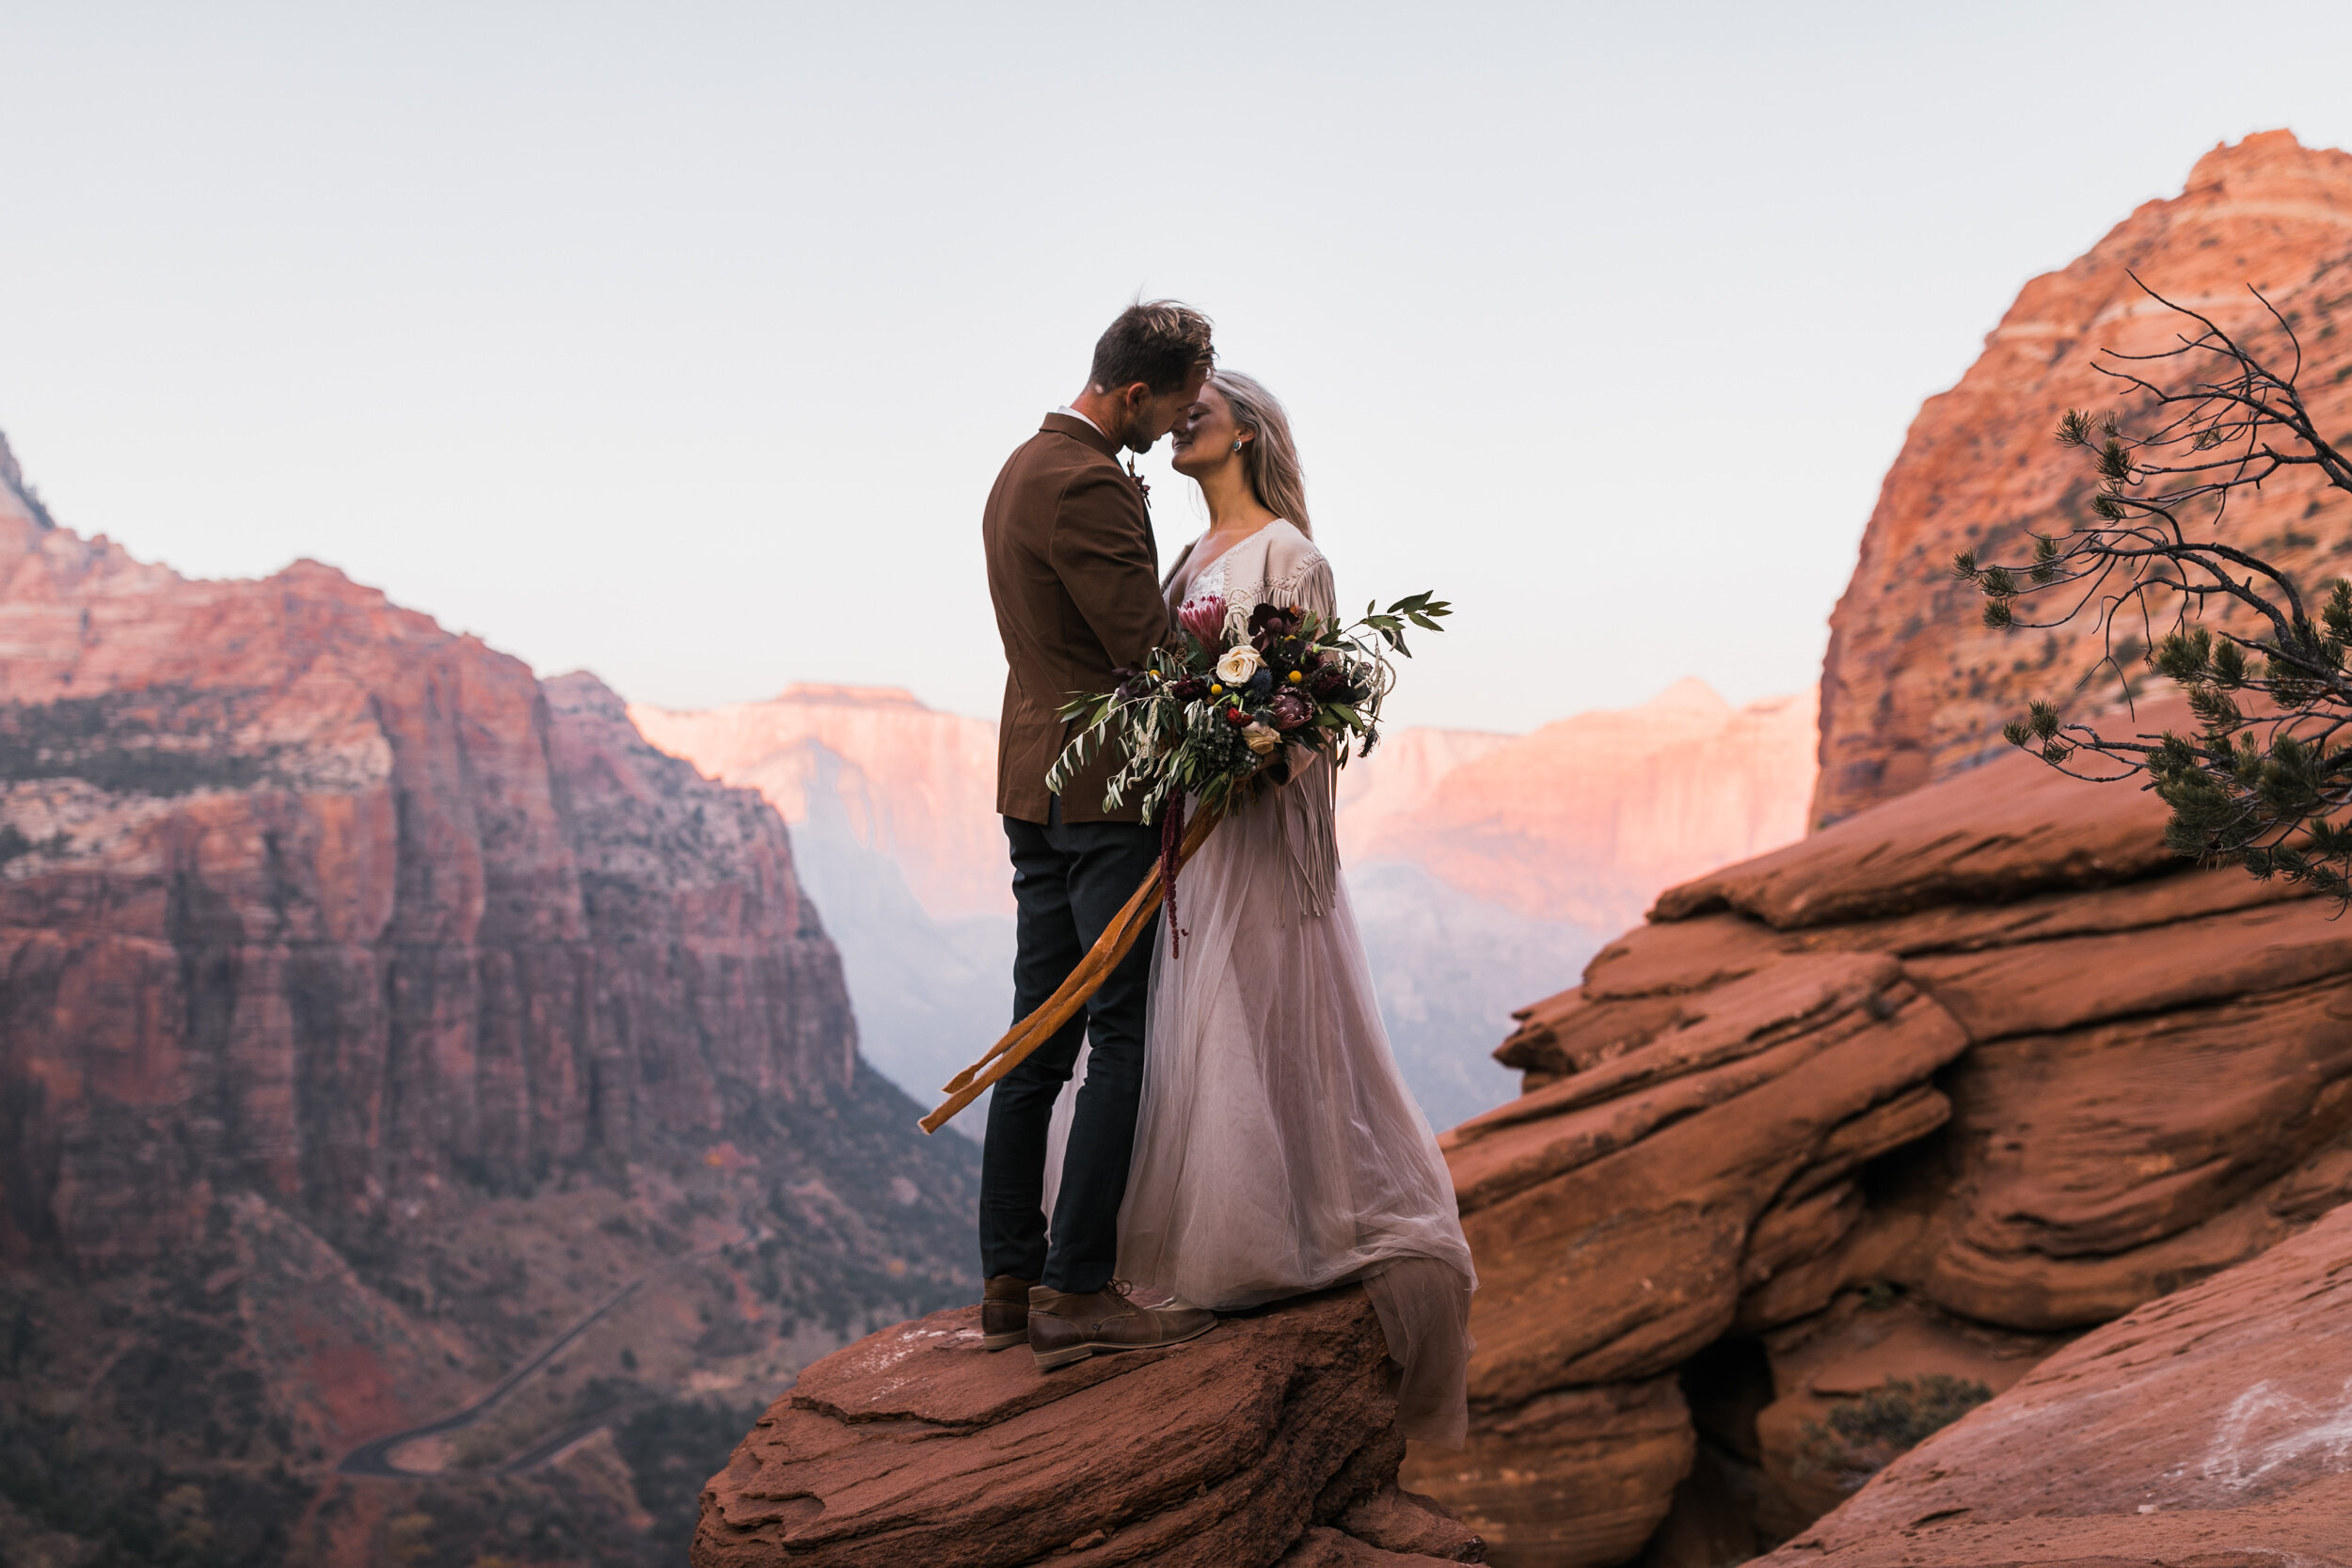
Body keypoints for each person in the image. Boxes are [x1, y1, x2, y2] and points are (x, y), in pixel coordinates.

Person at [1120, 370, 1477, 1445]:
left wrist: (1242, 752)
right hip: (1185, 819)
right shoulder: (1187, 559)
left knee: (1243, 1004)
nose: (1184, 421)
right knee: (1184, 1009)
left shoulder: (1293, 557)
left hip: (1249, 830)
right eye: (1179, 409)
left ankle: (1256, 1238)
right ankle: (1184, 1239)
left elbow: (1308, 716)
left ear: (1249, 435)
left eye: (1203, 411)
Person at [977, 299, 1221, 1370]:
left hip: (1034, 784)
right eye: (1171, 410)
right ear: (1132, 393)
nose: (1175, 430)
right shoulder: (1084, 482)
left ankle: (1007, 1278)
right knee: (1115, 1035)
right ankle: (1076, 1286)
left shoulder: (1021, 466)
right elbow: (1144, 649)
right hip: (1102, 793)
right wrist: (1246, 684)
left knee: (1037, 1028)